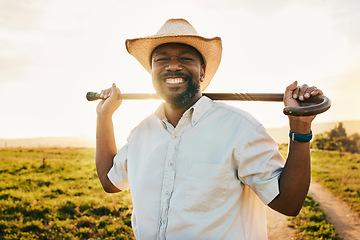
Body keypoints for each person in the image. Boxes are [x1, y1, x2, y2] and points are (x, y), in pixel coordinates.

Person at [95, 19, 323, 239]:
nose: (173, 65)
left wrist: (300, 126)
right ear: (152, 72)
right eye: (161, 60)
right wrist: (104, 116)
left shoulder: (240, 128)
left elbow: (289, 203)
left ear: (202, 72)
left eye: (185, 58)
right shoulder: (140, 134)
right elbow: (109, 181)